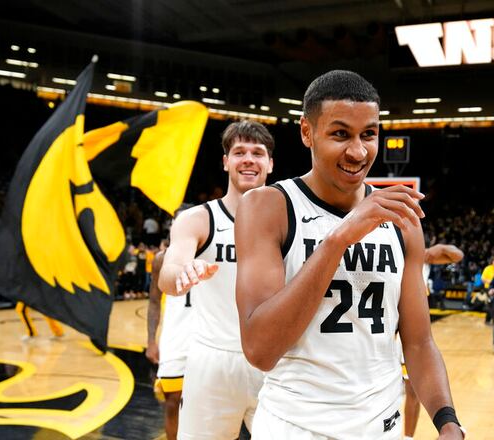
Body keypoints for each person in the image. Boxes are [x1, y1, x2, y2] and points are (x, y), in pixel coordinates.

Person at [235, 70, 463, 439]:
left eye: (368, 134)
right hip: (296, 426)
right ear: (307, 132)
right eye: (340, 134)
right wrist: (339, 238)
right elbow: (260, 350)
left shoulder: (402, 220)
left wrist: (447, 420)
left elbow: (419, 342)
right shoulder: (267, 207)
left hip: (381, 425)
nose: (358, 152)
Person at [157, 120, 274, 439]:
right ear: (225, 162)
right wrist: (182, 273)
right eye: (239, 152)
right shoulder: (198, 219)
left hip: (271, 360)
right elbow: (168, 275)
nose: (248, 159)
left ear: (270, 164)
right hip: (212, 360)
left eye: (257, 153)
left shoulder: (287, 222)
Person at [403, 244, 464, 440]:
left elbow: (458, 255)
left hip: (408, 331)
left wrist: (440, 248)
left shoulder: (421, 256)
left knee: (413, 391)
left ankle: (408, 437)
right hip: (384, 329)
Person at [146, 246, 193, 440]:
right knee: (172, 402)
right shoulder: (161, 259)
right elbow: (154, 301)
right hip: (176, 337)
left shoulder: (217, 250)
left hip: (209, 335)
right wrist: (151, 341)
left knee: (215, 404)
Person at [481, 256, 494, 325]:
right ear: (492, 261)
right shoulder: (488, 268)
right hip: (488, 289)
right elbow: (482, 279)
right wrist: (491, 282)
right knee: (492, 305)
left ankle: (488, 320)